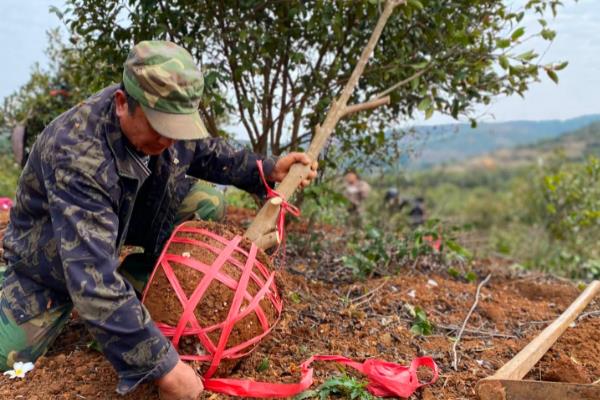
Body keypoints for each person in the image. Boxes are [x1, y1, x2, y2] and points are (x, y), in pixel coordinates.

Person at [0, 41, 317, 400]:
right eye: (159, 125)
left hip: (116, 225)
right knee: (8, 354)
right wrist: (165, 367)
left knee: (206, 201)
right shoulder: (77, 153)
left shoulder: (166, 131)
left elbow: (205, 151)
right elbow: (90, 279)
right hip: (51, 262)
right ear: (123, 103)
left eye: (177, 127)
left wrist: (268, 168)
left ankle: (138, 279)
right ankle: (40, 296)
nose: (168, 138)